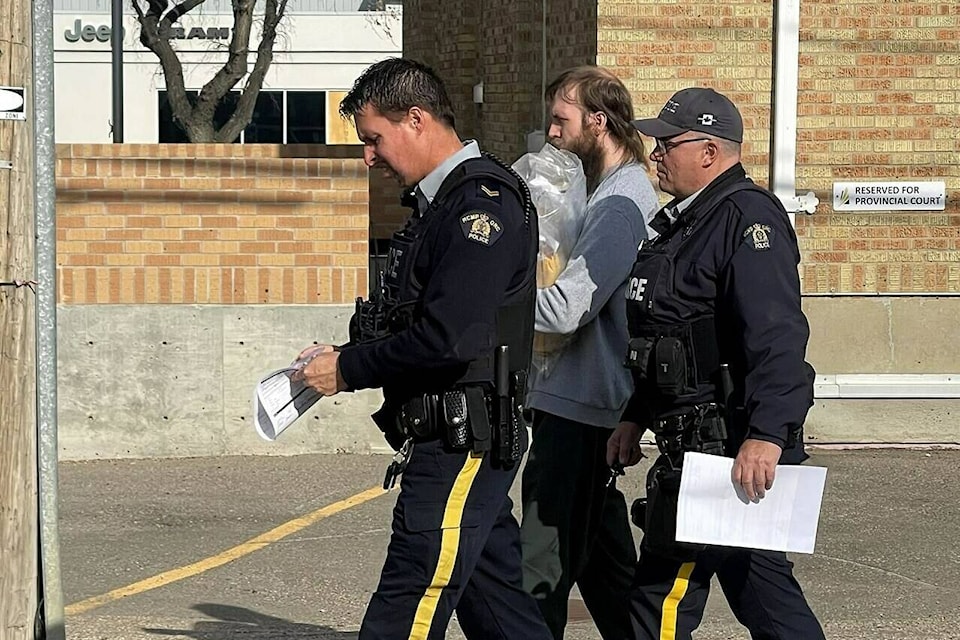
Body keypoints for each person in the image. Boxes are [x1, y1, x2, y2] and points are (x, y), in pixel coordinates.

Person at [296, 58, 552, 640]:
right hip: (449, 433)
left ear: (416, 119)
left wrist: (349, 369)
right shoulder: (440, 204)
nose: (369, 157)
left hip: (461, 441)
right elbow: (419, 320)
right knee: (498, 610)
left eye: (374, 139)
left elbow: (448, 337)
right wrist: (343, 351)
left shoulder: (480, 204)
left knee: (407, 604)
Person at [606, 87, 826, 640]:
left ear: (709, 151)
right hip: (697, 444)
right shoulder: (686, 222)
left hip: (723, 450)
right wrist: (635, 415)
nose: (655, 154)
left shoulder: (746, 219)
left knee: (660, 599)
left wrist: (766, 435)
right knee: (763, 594)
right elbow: (671, 336)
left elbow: (777, 339)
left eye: (667, 144)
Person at [519, 65, 659, 640]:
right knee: (607, 569)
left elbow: (566, 309)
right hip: (584, 403)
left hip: (580, 409)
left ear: (598, 122)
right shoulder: (601, 192)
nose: (552, 133)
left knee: (539, 567)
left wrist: (489, 301)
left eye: (562, 120)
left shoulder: (619, 203)